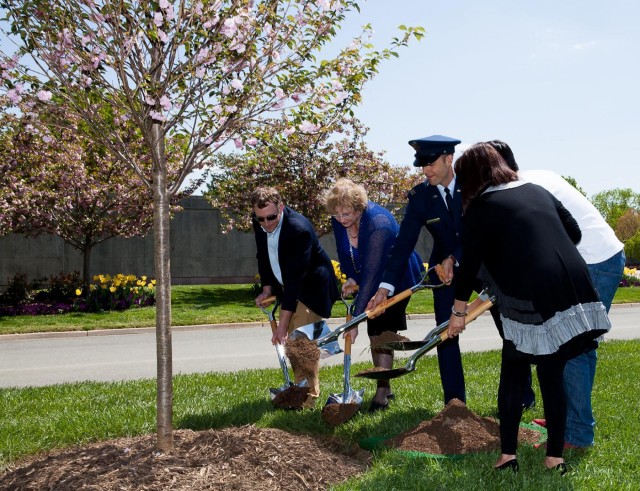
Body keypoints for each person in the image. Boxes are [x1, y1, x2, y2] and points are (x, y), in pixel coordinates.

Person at [446, 142, 611, 473]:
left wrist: (458, 313)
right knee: (551, 373)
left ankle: (508, 456)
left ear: (473, 178)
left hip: (534, 297)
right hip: (574, 291)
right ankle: (554, 458)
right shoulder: (536, 190)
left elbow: (469, 267)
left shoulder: (481, 206)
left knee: (513, 370)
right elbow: (574, 233)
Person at [487, 139, 626, 448]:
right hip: (591, 258)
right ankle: (563, 418)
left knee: (573, 347)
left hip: (595, 262)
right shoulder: (532, 180)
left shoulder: (525, 191)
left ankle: (576, 436)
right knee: (567, 345)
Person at [367, 134, 467, 405]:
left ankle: (521, 398)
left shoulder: (473, 186)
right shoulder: (421, 196)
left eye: (431, 163)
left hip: (482, 267)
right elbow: (402, 245)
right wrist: (385, 288)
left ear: (449, 158)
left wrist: (455, 258)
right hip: (443, 274)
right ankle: (455, 404)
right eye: (422, 165)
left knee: (508, 331)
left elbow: (478, 233)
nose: (425, 170)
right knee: (445, 335)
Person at [323, 178, 424, 412]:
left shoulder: (379, 223)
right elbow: (344, 251)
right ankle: (385, 386)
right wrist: (350, 277)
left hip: (396, 279)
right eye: (337, 214)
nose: (341, 219)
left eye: (346, 214)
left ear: (359, 207)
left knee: (381, 332)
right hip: (370, 276)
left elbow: (373, 271)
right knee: (374, 333)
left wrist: (356, 320)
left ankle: (381, 395)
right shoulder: (340, 220)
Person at [251, 186, 339, 408]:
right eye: (261, 219)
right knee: (293, 347)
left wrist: (282, 325)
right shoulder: (260, 221)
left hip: (310, 289)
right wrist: (267, 288)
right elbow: (263, 254)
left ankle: (308, 400)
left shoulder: (298, 229)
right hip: (287, 286)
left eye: (271, 217)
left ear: (281, 207)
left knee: (302, 345)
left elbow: (295, 281)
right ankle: (299, 391)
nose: (266, 223)